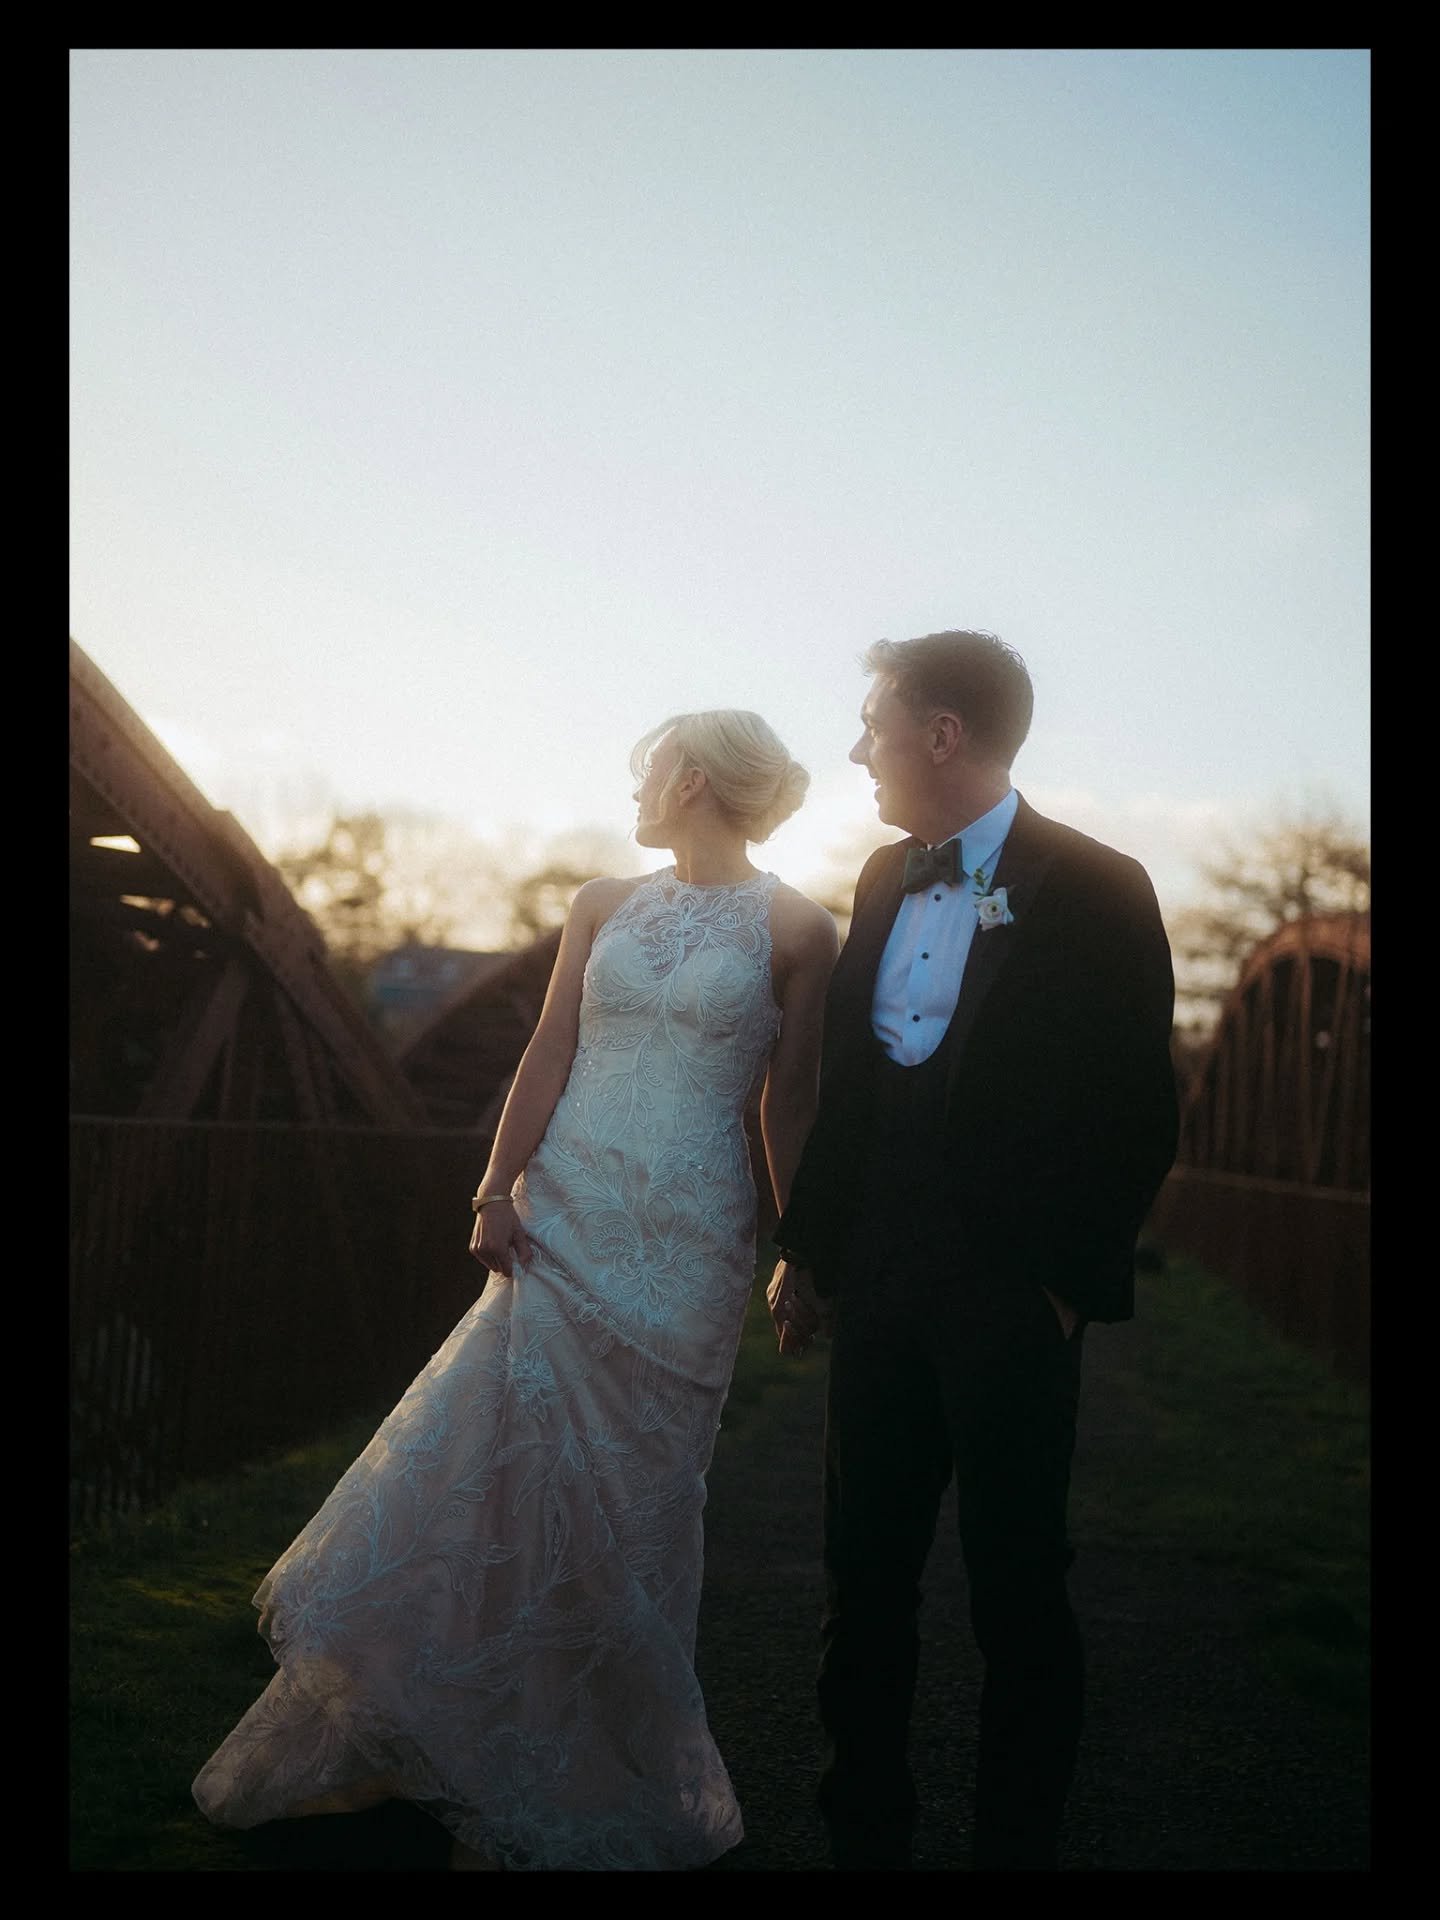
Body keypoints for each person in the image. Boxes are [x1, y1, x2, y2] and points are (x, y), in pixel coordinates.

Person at [192, 709, 839, 1872]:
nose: (636, 787)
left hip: (690, 1239)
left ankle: (578, 1768)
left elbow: (785, 1100)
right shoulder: (602, 903)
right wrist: (495, 1186)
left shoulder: (800, 929)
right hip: (568, 1212)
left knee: (632, 1504)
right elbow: (548, 1050)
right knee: (500, 1472)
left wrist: (804, 1246)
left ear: (693, 781)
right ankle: (457, 1745)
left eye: (650, 769)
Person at [767, 630, 1179, 1872]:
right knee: (863, 1581)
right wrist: (807, 1250)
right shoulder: (879, 878)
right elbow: (851, 1092)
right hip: (880, 1284)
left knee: (1018, 1592)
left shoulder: (1101, 887)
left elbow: (1138, 1108)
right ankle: (864, 1834)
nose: (859, 751)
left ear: (943, 735)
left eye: (875, 725)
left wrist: (1065, 1288)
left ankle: (1015, 1847)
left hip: (1013, 1298)